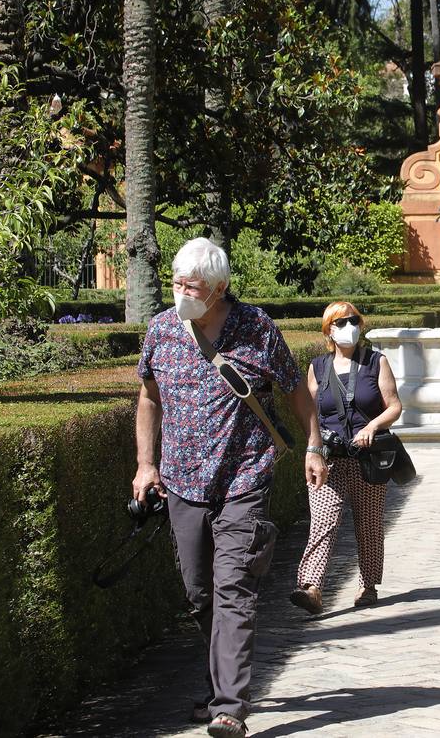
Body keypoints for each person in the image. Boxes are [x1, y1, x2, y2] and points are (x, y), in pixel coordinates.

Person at [132, 237, 326, 738]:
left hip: (244, 478)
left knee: (233, 589)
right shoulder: (161, 330)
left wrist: (313, 446)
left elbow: (294, 393)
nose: (181, 292)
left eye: (191, 286)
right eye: (176, 283)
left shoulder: (256, 328)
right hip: (181, 481)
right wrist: (145, 465)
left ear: (218, 288)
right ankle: (219, 682)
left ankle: (230, 707)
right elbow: (148, 399)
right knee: (200, 595)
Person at [290, 301, 403, 615]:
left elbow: (394, 405)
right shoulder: (317, 367)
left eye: (353, 320)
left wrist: (373, 425)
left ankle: (368, 585)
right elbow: (308, 412)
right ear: (328, 330)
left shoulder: (375, 362)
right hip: (331, 459)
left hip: (367, 459)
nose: (348, 327)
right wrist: (313, 447)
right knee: (323, 522)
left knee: (368, 525)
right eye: (340, 322)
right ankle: (311, 587)